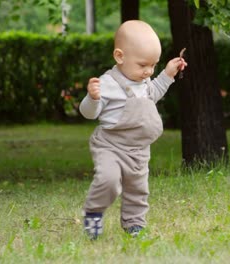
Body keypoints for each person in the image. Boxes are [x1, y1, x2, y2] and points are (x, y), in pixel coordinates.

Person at [79, 20, 187, 239]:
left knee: (137, 189)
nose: (148, 71)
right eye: (142, 65)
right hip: (110, 145)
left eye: (153, 65)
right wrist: (92, 98)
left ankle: (134, 224)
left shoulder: (144, 82)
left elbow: (154, 92)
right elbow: (89, 113)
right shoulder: (108, 83)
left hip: (138, 149)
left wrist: (167, 74)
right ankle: (94, 213)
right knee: (108, 181)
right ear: (120, 57)